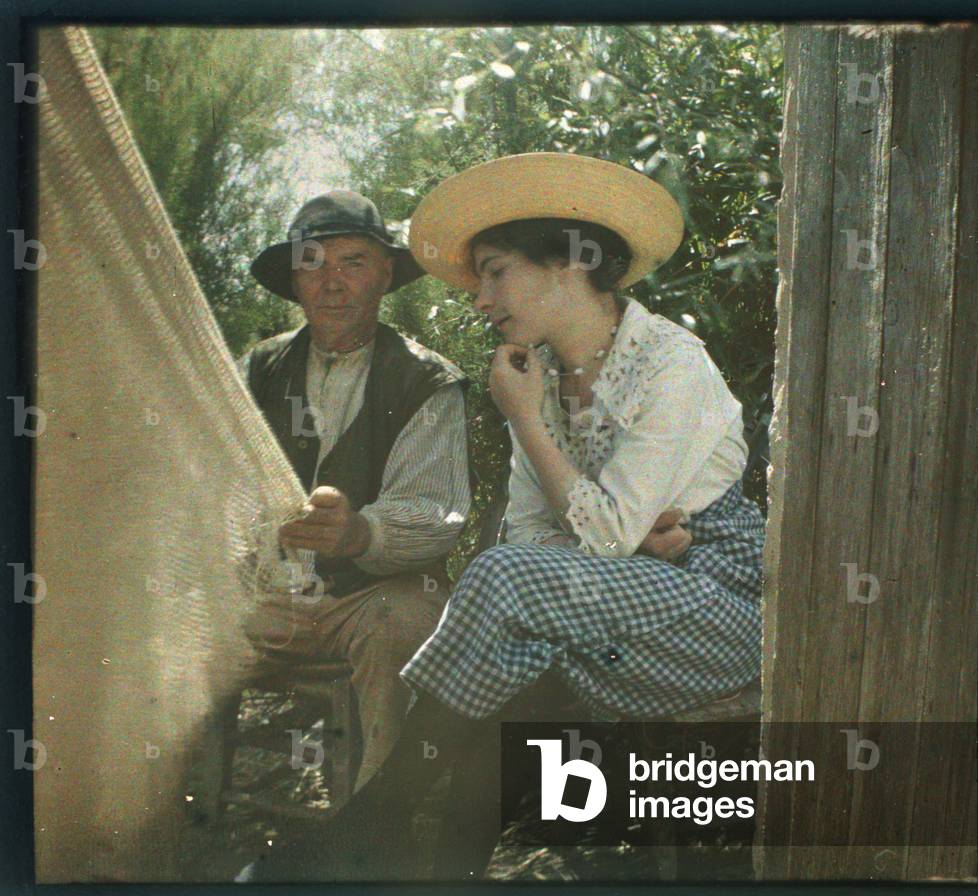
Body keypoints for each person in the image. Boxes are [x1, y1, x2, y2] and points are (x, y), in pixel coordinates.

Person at [240, 155, 762, 882]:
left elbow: (588, 541)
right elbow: (540, 538)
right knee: (501, 679)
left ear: (565, 263)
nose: (481, 300)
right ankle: (425, 865)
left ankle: (366, 829)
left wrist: (527, 425)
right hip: (614, 611)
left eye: (494, 272)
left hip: (718, 613)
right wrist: (612, 528)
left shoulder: (670, 363)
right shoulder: (537, 378)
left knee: (506, 591)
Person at [237, 190, 472, 794]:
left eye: (354, 262)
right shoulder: (255, 370)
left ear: (386, 273)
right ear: (294, 279)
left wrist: (361, 532)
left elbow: (437, 512)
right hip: (269, 598)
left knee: (407, 619)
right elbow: (216, 488)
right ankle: (157, 841)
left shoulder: (426, 378)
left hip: (366, 601)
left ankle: (377, 830)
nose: (332, 282)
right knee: (165, 626)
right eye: (313, 262)